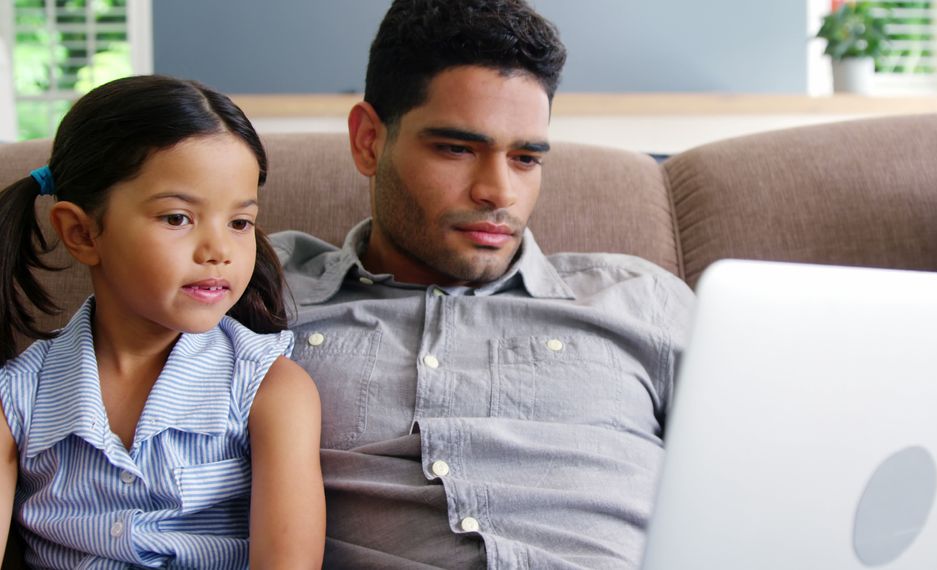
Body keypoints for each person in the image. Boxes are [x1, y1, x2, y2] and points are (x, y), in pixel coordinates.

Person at [271, 0, 695, 567]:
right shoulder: (263, 295)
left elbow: (769, 481)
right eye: (457, 148)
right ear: (369, 141)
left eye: (525, 158)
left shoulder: (642, 300)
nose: (499, 192)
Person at [0, 75, 325, 568]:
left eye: (239, 223)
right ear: (82, 233)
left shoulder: (271, 388)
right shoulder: (17, 400)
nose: (219, 250)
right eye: (177, 218)